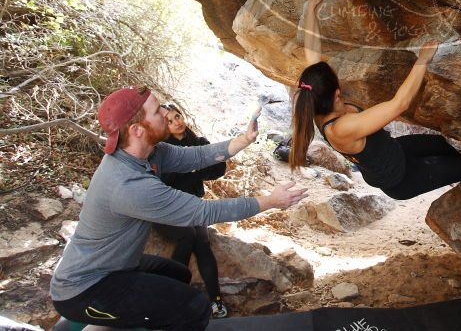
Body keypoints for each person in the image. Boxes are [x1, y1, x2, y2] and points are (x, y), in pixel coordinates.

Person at [50, 86, 307, 330]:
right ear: (138, 130)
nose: (165, 112)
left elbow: (195, 156)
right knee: (194, 308)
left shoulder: (149, 152)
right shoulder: (127, 184)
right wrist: (270, 201)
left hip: (117, 267)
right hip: (85, 288)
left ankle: (107, 325)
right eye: (157, 111)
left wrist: (242, 140)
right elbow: (204, 212)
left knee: (178, 273)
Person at [290, 0, 461, 215]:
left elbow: (313, 53)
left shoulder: (315, 97)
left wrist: (312, 7)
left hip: (393, 152)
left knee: (439, 144)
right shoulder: (341, 128)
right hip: (400, 179)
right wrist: (422, 60)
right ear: (336, 94)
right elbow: (400, 103)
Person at [152, 104, 228, 319]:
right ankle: (172, 296)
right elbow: (166, 180)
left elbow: (219, 169)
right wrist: (195, 167)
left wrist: (191, 167)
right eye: (170, 120)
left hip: (192, 204)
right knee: (188, 236)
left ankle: (216, 300)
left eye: (178, 116)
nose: (177, 122)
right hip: (167, 205)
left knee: (202, 242)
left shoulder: (199, 143)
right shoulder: (161, 149)